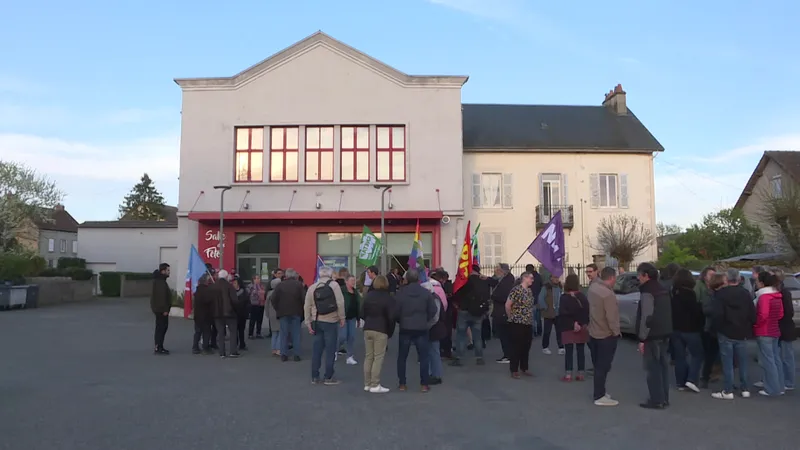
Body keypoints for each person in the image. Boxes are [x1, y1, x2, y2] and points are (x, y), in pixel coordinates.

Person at [710, 268, 756, 399]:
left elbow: (717, 314)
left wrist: (717, 328)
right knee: (742, 361)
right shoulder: (745, 293)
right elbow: (752, 313)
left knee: (727, 362)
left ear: (727, 279)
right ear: (739, 278)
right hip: (742, 331)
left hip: (726, 331)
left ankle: (728, 390)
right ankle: (745, 388)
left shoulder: (721, 294)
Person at [635, 262, 673, 409]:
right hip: (665, 331)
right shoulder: (663, 289)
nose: (638, 278)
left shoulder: (647, 292)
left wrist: (642, 338)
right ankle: (664, 397)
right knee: (663, 366)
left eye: (640, 275)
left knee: (652, 367)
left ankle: (656, 399)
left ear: (646, 276)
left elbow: (646, 316)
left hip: (652, 334)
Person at [394, 269, 438, 392]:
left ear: (406, 279)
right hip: (421, 327)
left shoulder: (401, 293)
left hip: (405, 327)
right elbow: (433, 310)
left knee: (402, 357)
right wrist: (425, 319)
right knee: (424, 357)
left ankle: (402, 383)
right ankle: (424, 384)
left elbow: (395, 311)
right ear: (418, 279)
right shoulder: (426, 293)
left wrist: (401, 320)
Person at [304, 265, 346, 385]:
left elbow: (307, 306)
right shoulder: (334, 286)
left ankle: (314, 376)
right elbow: (340, 302)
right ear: (330, 274)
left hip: (317, 321)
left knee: (317, 350)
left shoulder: (312, 287)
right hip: (331, 321)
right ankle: (328, 376)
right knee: (330, 350)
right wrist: (342, 318)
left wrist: (308, 322)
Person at [587, 267, 621, 406]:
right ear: (612, 278)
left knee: (598, 365)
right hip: (606, 334)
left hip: (594, 331)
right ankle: (599, 395)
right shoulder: (608, 295)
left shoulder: (592, 288)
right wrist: (616, 331)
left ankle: (600, 391)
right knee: (604, 366)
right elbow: (611, 316)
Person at [670, 268, 705, 393]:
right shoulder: (690, 294)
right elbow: (695, 312)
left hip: (676, 329)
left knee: (680, 356)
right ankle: (691, 379)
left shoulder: (673, 293)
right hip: (690, 329)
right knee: (697, 354)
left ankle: (680, 382)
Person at [450, 264, 490, 367]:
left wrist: (457, 304)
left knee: (461, 335)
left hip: (464, 310)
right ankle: (479, 357)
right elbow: (487, 295)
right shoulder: (483, 282)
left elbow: (455, 293)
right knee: (477, 335)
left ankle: (459, 358)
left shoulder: (464, 281)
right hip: (478, 312)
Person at [361, 275, 395, 393]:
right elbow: (391, 317)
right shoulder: (388, 298)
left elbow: (362, 312)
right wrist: (390, 331)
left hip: (368, 327)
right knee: (378, 357)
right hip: (381, 328)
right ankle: (375, 384)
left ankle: (367, 383)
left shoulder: (368, 296)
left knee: (368, 356)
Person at [753, 271, 784, 397]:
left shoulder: (763, 297)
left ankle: (771, 388)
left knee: (767, 360)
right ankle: (779, 386)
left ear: (761, 282)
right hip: (774, 329)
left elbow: (763, 315)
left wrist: (756, 324)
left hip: (764, 331)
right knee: (776, 359)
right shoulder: (777, 295)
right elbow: (781, 314)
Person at [559, 274, 590, 382]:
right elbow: (586, 311)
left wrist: (573, 324)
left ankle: (568, 374)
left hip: (567, 326)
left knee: (569, 350)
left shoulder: (564, 297)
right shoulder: (582, 296)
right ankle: (580, 373)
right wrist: (580, 323)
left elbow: (563, 313)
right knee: (580, 350)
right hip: (581, 327)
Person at [504, 271, 535, 378]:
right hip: (517, 322)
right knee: (516, 346)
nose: (532, 280)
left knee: (526, 346)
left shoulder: (530, 291)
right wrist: (511, 317)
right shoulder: (516, 290)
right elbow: (508, 305)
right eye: (531, 278)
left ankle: (524, 367)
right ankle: (514, 369)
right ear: (525, 278)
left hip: (528, 322)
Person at [271, 269, 306, 362]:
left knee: (284, 334)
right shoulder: (299, 285)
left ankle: (284, 354)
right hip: (296, 312)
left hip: (283, 313)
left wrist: (278, 309)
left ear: (286, 275)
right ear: (294, 276)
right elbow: (304, 299)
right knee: (296, 334)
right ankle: (296, 355)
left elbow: (273, 299)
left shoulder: (280, 285)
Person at [696, 266, 719, 388]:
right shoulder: (700, 287)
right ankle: (705, 375)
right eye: (710, 274)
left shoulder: (716, 289)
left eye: (714, 274)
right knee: (707, 351)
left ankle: (711, 373)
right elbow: (699, 304)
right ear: (704, 276)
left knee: (713, 352)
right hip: (705, 324)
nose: (712, 277)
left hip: (714, 325)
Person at [773, 269, 796, 391]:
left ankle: (789, 382)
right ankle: (781, 379)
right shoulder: (780, 292)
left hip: (785, 328)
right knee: (778, 356)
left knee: (787, 356)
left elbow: (789, 312)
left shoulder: (784, 293)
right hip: (780, 328)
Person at [490, 263, 516, 364]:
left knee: (505, 335)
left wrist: (493, 297)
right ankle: (508, 354)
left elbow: (504, 297)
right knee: (505, 335)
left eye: (498, 269)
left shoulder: (507, 282)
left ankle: (508, 355)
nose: (495, 271)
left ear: (503, 271)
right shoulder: (503, 280)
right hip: (501, 311)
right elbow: (493, 282)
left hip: (503, 312)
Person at [423, 280, 448, 385]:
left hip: (434, 329)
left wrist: (426, 327)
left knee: (434, 352)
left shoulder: (434, 299)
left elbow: (435, 317)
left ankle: (436, 375)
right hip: (433, 329)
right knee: (429, 352)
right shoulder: (432, 298)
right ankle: (430, 374)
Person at [212, 270, 240, 358]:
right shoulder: (229, 286)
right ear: (226, 276)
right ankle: (233, 351)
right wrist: (236, 310)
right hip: (229, 313)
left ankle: (222, 352)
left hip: (217, 313)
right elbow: (234, 300)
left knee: (220, 333)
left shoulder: (213, 286)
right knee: (233, 332)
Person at [339, 275, 362, 365]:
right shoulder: (342, 291)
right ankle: (335, 349)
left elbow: (358, 305)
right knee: (342, 336)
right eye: (351, 280)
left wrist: (358, 318)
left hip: (352, 318)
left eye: (354, 280)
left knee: (351, 337)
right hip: (343, 317)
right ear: (346, 281)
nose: (353, 282)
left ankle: (350, 356)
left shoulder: (355, 292)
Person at [539, 274, 564, 355]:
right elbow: (540, 298)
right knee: (547, 331)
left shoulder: (560, 286)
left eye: (557, 277)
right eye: (555, 277)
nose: (557, 279)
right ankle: (545, 347)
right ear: (551, 278)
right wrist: (545, 307)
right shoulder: (546, 287)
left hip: (558, 312)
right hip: (548, 313)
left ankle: (561, 347)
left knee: (559, 331)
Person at [150, 263, 171, 355]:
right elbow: (162, 297)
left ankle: (159, 346)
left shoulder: (160, 280)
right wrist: (165, 309)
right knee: (161, 328)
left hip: (159, 309)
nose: (169, 272)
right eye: (168, 270)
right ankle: (158, 347)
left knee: (161, 328)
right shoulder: (160, 282)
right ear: (163, 271)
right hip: (161, 310)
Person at [191, 273, 214, 355]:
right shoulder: (207, 291)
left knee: (198, 331)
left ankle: (195, 347)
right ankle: (205, 347)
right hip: (206, 315)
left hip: (198, 315)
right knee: (206, 332)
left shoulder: (197, 291)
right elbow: (209, 301)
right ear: (205, 281)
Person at [232, 277, 249, 352]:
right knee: (234, 330)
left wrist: (247, 312)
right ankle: (235, 344)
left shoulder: (244, 292)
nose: (234, 284)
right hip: (234, 314)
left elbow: (247, 303)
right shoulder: (231, 292)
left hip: (242, 314)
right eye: (233, 283)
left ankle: (242, 344)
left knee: (241, 330)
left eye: (235, 283)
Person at [247, 275, 266, 339]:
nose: (258, 280)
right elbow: (249, 294)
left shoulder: (262, 286)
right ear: (253, 280)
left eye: (259, 278)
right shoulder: (250, 286)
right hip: (253, 304)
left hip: (261, 304)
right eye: (256, 278)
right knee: (252, 320)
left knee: (259, 320)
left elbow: (264, 293)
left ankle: (258, 333)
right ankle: (250, 334)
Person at [267, 278, 282, 356]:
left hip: (271, 315)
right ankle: (279, 348)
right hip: (279, 314)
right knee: (280, 332)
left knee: (274, 332)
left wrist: (267, 314)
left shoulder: (269, 293)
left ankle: (273, 349)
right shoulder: (280, 293)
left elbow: (266, 305)